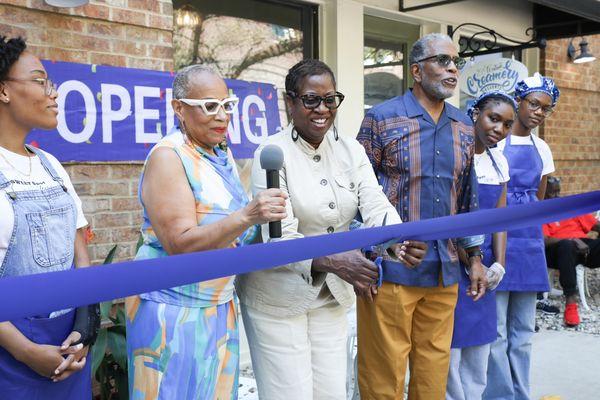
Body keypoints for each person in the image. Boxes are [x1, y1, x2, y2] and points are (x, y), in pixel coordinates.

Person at [236, 59, 427, 400]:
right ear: (290, 102)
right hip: (278, 297)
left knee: (331, 392)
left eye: (330, 99)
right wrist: (335, 260)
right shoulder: (271, 153)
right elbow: (278, 237)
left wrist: (396, 242)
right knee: (289, 395)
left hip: (332, 295)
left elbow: (376, 204)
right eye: (311, 99)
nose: (322, 109)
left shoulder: (350, 149)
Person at [125, 65, 287, 400]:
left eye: (227, 105)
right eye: (209, 106)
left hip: (217, 306)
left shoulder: (220, 153)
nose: (222, 116)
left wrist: (266, 221)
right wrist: (247, 215)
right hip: (173, 312)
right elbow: (180, 243)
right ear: (179, 108)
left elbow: (231, 235)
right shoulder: (168, 157)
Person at [356, 33, 487, 400]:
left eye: (455, 62)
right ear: (416, 70)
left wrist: (474, 257)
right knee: (383, 378)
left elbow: (466, 196)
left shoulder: (464, 126)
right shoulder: (381, 119)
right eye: (442, 61)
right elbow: (356, 194)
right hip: (391, 269)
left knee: (432, 378)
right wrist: (370, 252)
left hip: (444, 270)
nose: (452, 69)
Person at [0, 36, 98, 399]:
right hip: (12, 357)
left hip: (69, 347)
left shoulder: (52, 167)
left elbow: (81, 256)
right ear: (4, 91)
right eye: (40, 81)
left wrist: (86, 324)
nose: (53, 93)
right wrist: (26, 352)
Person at [485, 73, 560, 400]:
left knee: (523, 331)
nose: (538, 113)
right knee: (497, 330)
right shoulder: (494, 142)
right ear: (519, 101)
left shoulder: (542, 148)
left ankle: (521, 394)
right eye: (534, 104)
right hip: (497, 239)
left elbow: (538, 199)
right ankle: (501, 395)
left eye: (545, 109)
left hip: (528, 245)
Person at [446, 91, 515, 400]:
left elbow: (500, 218)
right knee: (452, 344)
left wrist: (497, 264)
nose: (499, 129)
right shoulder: (454, 155)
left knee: (480, 343)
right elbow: (450, 217)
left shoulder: (499, 162)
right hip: (453, 258)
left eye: (507, 124)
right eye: (494, 118)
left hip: (485, 265)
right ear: (475, 114)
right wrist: (471, 261)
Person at [543, 176, 600, 326]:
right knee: (567, 246)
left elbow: (595, 225)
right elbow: (544, 240)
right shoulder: (541, 212)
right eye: (552, 193)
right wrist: (572, 240)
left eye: (558, 192)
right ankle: (571, 303)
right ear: (542, 193)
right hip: (557, 251)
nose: (556, 197)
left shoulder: (568, 207)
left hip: (583, 248)